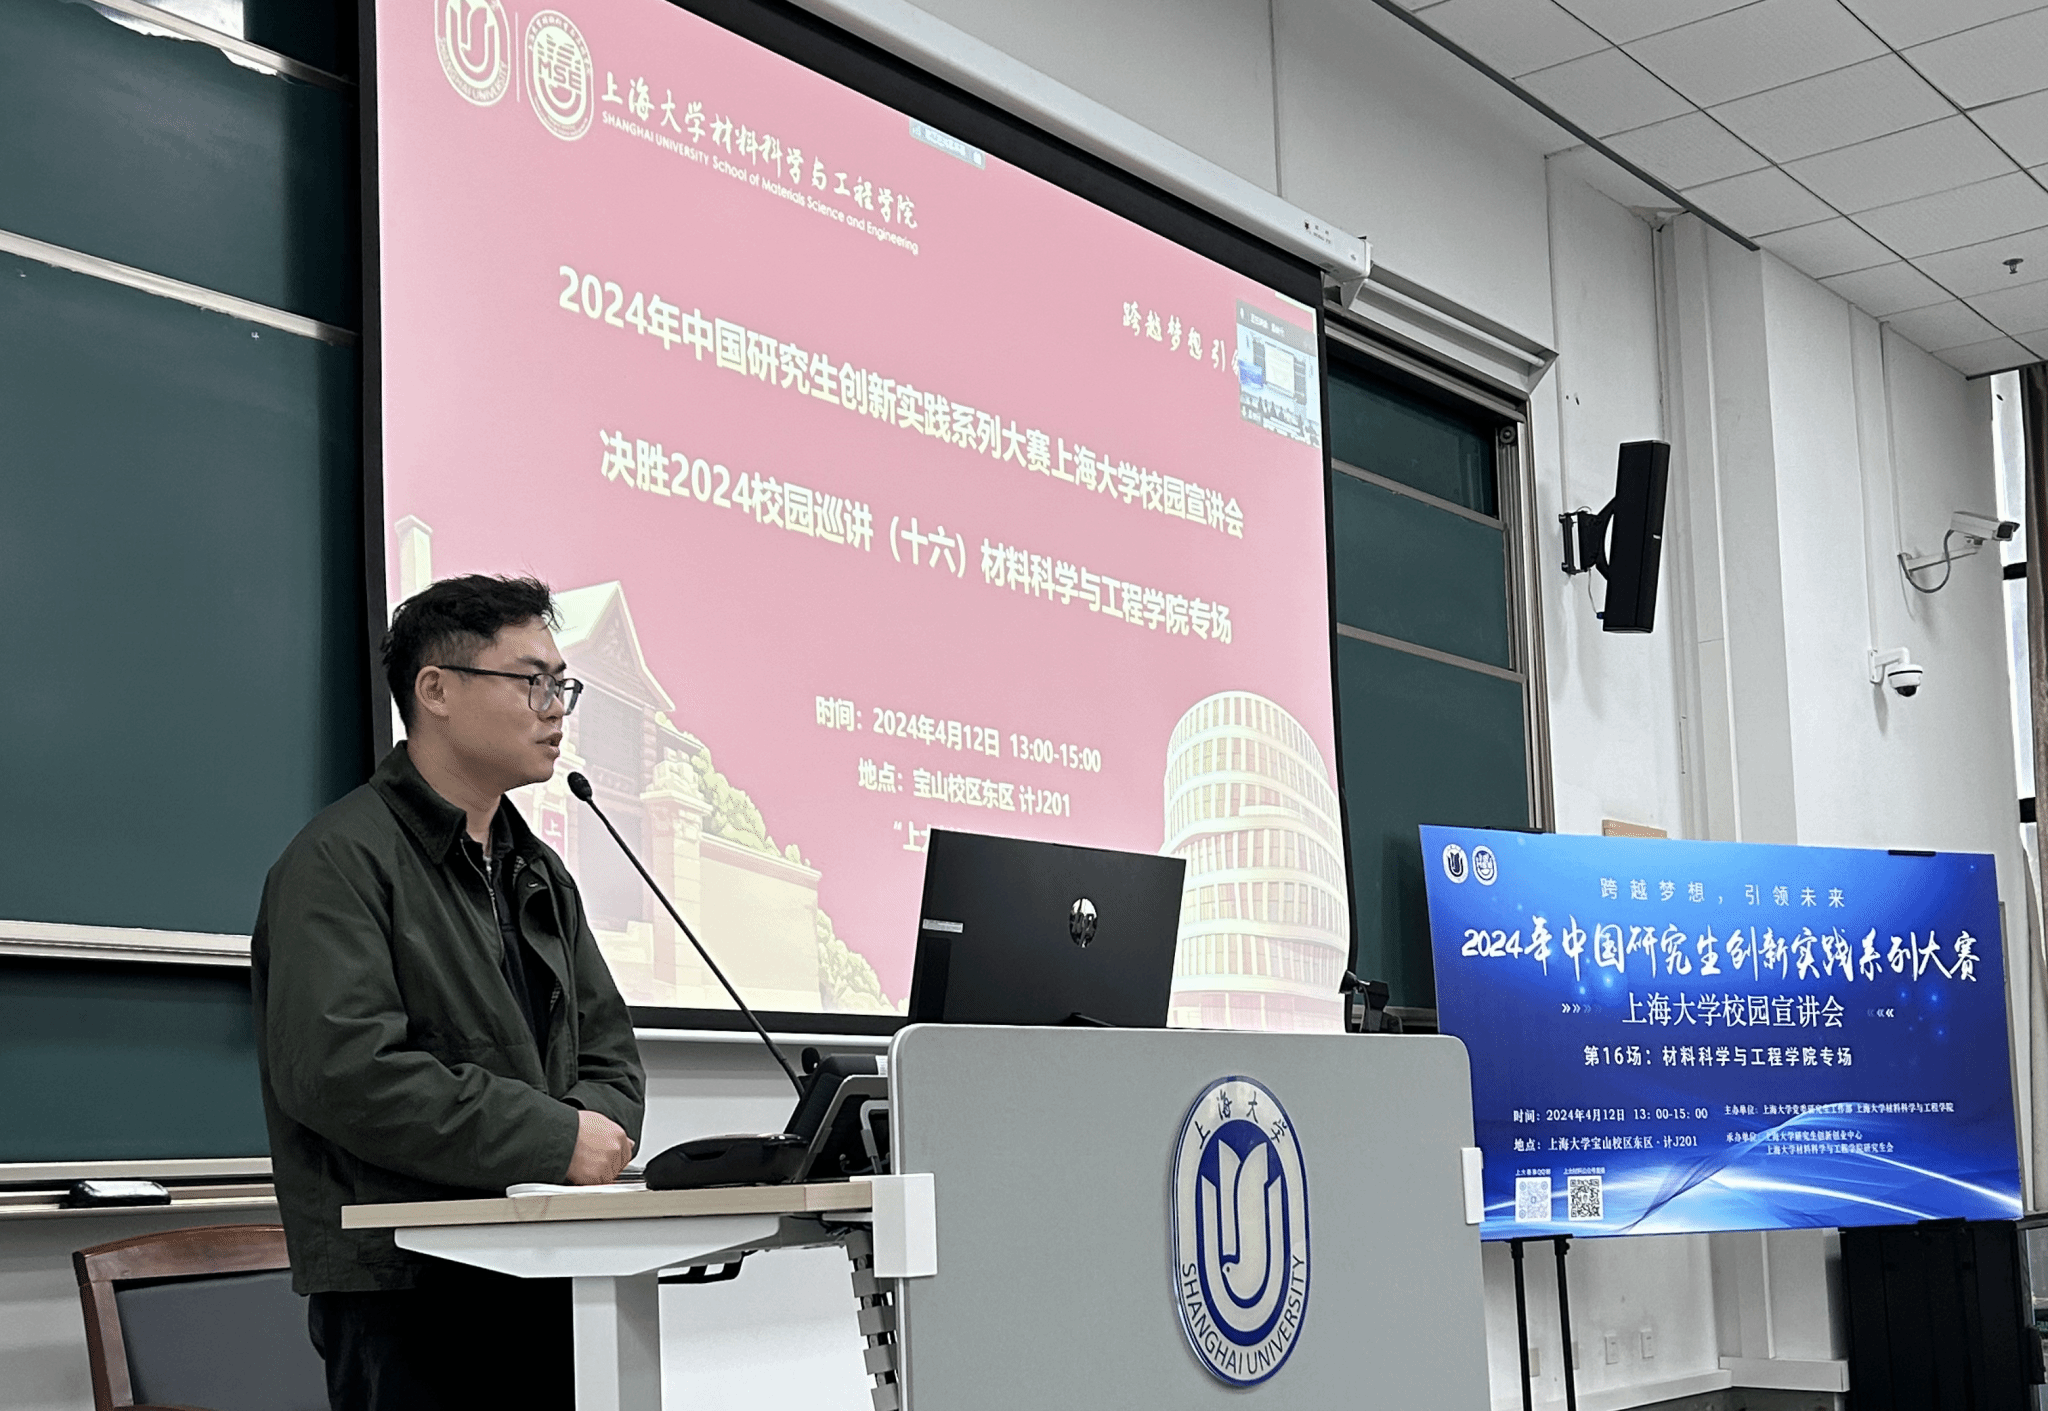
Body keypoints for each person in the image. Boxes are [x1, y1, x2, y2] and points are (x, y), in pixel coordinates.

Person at [251, 575, 645, 1411]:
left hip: (546, 1264)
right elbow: (344, 1072)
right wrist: (554, 1138)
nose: (557, 709)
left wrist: (589, 1134)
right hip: (408, 1290)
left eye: (563, 684)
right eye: (532, 681)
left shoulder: (538, 870)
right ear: (435, 690)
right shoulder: (339, 861)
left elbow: (611, 1057)